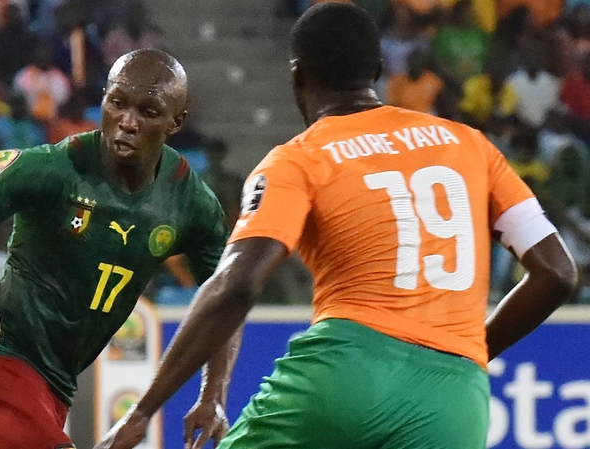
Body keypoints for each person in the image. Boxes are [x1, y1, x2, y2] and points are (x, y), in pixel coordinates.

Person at [94, 4, 578, 449]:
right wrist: (464, 353)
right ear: (378, 71)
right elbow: (557, 272)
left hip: (346, 372)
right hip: (455, 398)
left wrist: (144, 410)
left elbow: (237, 285)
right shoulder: (471, 145)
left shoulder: (299, 159)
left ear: (297, 76)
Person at [0, 48, 238, 449]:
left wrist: (213, 394)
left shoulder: (190, 204)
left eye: (147, 111)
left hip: (54, 391)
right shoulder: (54, 170)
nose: (127, 122)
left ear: (176, 121)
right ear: (103, 101)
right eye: (117, 103)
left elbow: (228, 297)